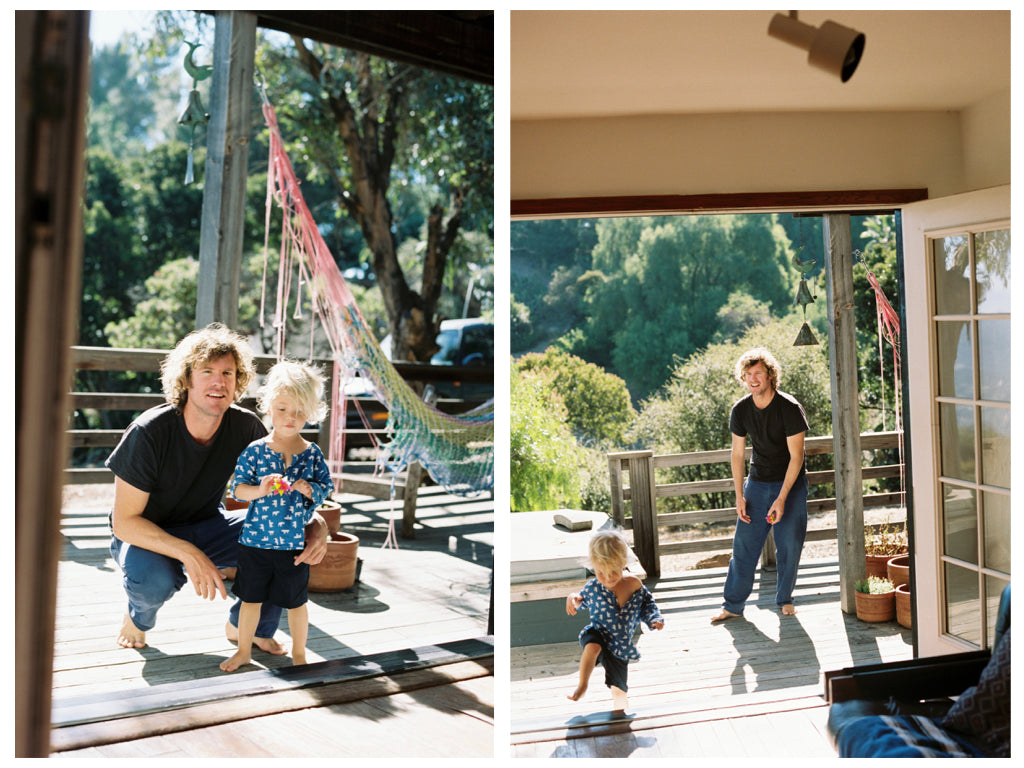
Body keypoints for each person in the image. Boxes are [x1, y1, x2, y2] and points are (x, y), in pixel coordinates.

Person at [106, 323, 328, 651]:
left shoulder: (246, 427)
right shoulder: (148, 433)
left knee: (286, 544)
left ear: (238, 381)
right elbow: (124, 522)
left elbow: (285, 491)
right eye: (207, 370)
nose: (218, 381)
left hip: (210, 525)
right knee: (153, 581)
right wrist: (189, 554)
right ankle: (137, 618)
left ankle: (248, 627)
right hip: (146, 535)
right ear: (186, 379)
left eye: (228, 372)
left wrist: (317, 524)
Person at [220, 360, 334, 672]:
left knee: (296, 603)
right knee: (250, 600)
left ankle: (300, 654)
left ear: (310, 413)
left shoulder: (311, 454)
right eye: (283, 409)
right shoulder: (256, 450)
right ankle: (244, 650)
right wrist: (259, 490)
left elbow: (327, 486)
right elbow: (236, 490)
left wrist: (308, 488)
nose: (290, 418)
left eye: (299, 411)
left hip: (293, 546)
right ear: (269, 406)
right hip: (255, 542)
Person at [712, 347, 808, 623]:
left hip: (790, 484)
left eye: (759, 373)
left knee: (789, 544)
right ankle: (732, 605)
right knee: (744, 546)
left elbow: (797, 457)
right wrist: (740, 495)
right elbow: (738, 454)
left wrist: (781, 498)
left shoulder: (789, 408)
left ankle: (785, 599)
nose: (753, 379)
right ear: (743, 378)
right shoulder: (740, 410)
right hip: (757, 483)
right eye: (748, 374)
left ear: (770, 376)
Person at [565, 528, 664, 711]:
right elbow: (581, 600)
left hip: (620, 643)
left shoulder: (633, 584)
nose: (609, 578)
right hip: (598, 632)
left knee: (619, 687)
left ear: (623, 564)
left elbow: (647, 604)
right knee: (593, 647)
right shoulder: (594, 587)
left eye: (614, 572)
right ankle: (582, 685)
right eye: (601, 573)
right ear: (593, 567)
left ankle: (620, 710)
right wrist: (572, 598)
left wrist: (654, 619)